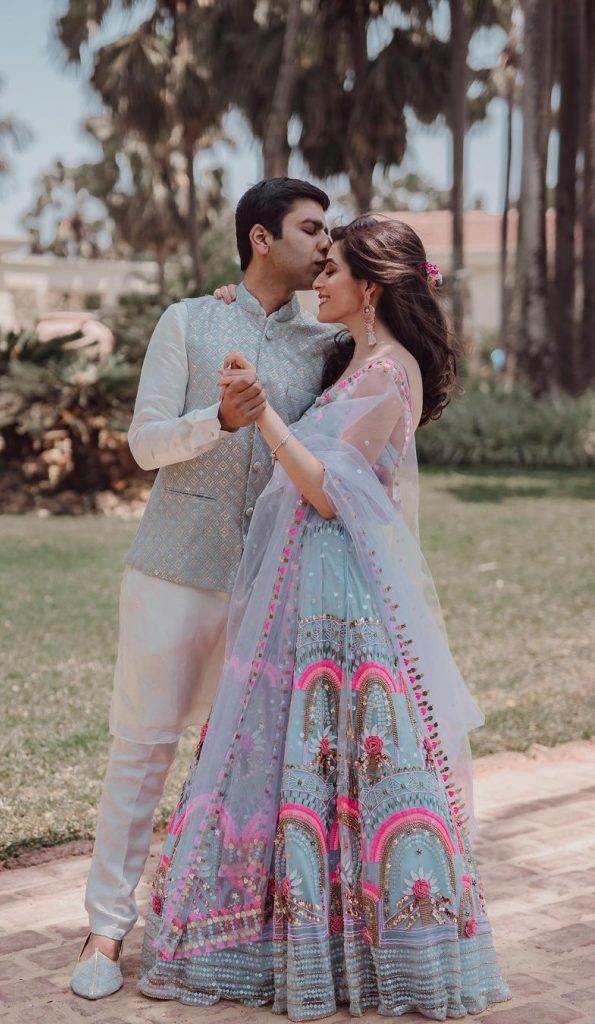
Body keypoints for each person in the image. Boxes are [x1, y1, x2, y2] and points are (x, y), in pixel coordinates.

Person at [138, 216, 511, 1020]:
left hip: (341, 590)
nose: (319, 279)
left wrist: (262, 413)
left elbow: (325, 490)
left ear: (369, 287)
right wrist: (231, 306)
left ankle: (366, 948)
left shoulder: (393, 373)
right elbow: (288, 327)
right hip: (303, 586)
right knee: (291, 754)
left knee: (343, 759)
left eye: (333, 269)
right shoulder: (356, 360)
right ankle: (284, 933)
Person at [70, 178, 337, 1000]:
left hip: (271, 586)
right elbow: (144, 444)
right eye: (312, 228)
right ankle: (105, 933)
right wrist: (216, 421)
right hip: (172, 570)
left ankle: (209, 926)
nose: (326, 244)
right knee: (142, 749)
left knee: (243, 765)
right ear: (261, 238)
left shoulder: (325, 345)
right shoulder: (189, 320)